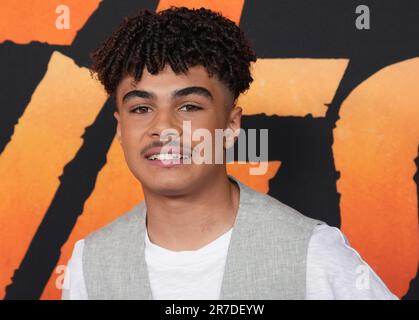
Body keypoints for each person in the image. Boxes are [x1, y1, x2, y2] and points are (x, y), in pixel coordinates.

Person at [62, 6, 397, 300]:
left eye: (190, 106)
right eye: (141, 108)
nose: (164, 127)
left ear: (231, 125)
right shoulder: (91, 263)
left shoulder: (311, 252)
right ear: (120, 128)